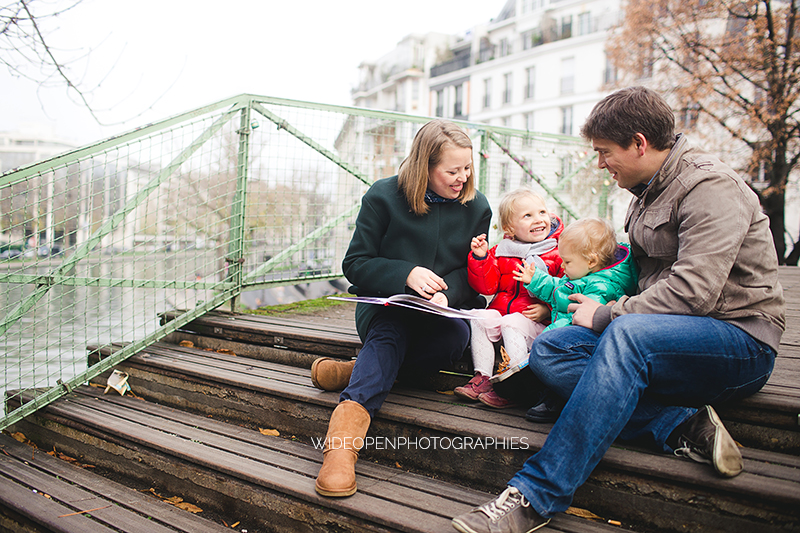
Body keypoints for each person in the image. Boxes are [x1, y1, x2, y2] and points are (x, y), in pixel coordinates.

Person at [452, 86, 785, 533]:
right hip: (663, 338)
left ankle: (535, 496)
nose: (600, 163)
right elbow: (637, 273)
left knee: (627, 333)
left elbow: (694, 292)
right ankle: (680, 425)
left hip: (737, 341)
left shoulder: (711, 188)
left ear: (639, 144)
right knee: (552, 348)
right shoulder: (646, 191)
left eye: (605, 152)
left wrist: (608, 313)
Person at [309, 119, 492, 498]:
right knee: (391, 332)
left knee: (453, 340)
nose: (463, 178)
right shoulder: (383, 196)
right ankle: (340, 449)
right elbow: (355, 263)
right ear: (425, 165)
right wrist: (406, 274)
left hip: (443, 314)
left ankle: (359, 370)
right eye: (452, 171)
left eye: (467, 167)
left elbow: (473, 271)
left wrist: (448, 295)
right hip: (386, 307)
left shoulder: (478, 206)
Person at [454, 188, 564, 409]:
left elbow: (566, 290)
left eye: (542, 212)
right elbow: (487, 286)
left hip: (538, 325)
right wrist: (481, 258)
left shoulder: (558, 252)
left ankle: (514, 384)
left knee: (511, 321)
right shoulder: (502, 251)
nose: (539, 219)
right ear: (509, 228)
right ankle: (483, 377)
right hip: (505, 319)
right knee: (480, 316)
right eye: (528, 215)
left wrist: (548, 310)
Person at [514, 217, 638, 332]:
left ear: (591, 261)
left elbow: (575, 319)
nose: (562, 266)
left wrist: (548, 334)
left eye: (567, 261)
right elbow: (558, 289)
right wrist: (535, 278)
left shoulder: (602, 288)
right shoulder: (581, 276)